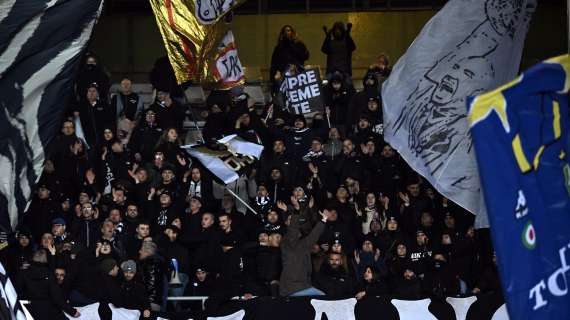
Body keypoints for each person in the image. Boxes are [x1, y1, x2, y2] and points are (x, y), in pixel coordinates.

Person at [279, 204, 332, 296]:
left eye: (295, 220)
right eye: (290, 220)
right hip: (291, 288)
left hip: (304, 286)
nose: (294, 222)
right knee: (322, 298)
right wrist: (296, 211)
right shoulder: (287, 241)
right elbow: (293, 230)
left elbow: (313, 236)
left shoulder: (302, 243)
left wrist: (323, 220)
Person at [15, 250, 80, 319]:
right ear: (46, 260)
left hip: (29, 309)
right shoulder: (49, 274)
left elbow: (18, 291)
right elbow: (57, 298)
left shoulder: (23, 272)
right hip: (48, 310)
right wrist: (72, 312)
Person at [269, 25, 309, 92]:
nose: (287, 32)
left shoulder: (299, 44)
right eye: (285, 31)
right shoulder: (279, 47)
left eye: (288, 30)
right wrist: (272, 79)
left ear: (292, 32)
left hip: (297, 73)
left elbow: (305, 56)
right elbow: (274, 63)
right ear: (282, 33)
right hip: (284, 75)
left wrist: (292, 45)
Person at [111, 78, 143, 145]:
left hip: (133, 128)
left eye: (127, 84)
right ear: (121, 85)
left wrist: (135, 123)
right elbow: (112, 113)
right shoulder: (115, 98)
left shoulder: (137, 97)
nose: (125, 86)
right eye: (123, 84)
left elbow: (141, 112)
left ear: (131, 85)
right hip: (119, 128)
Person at [138, 241, 167, 312]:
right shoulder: (157, 263)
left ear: (147, 251)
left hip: (150, 303)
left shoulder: (151, 263)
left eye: (141, 250)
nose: (139, 252)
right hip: (153, 302)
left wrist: (146, 301)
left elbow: (151, 284)